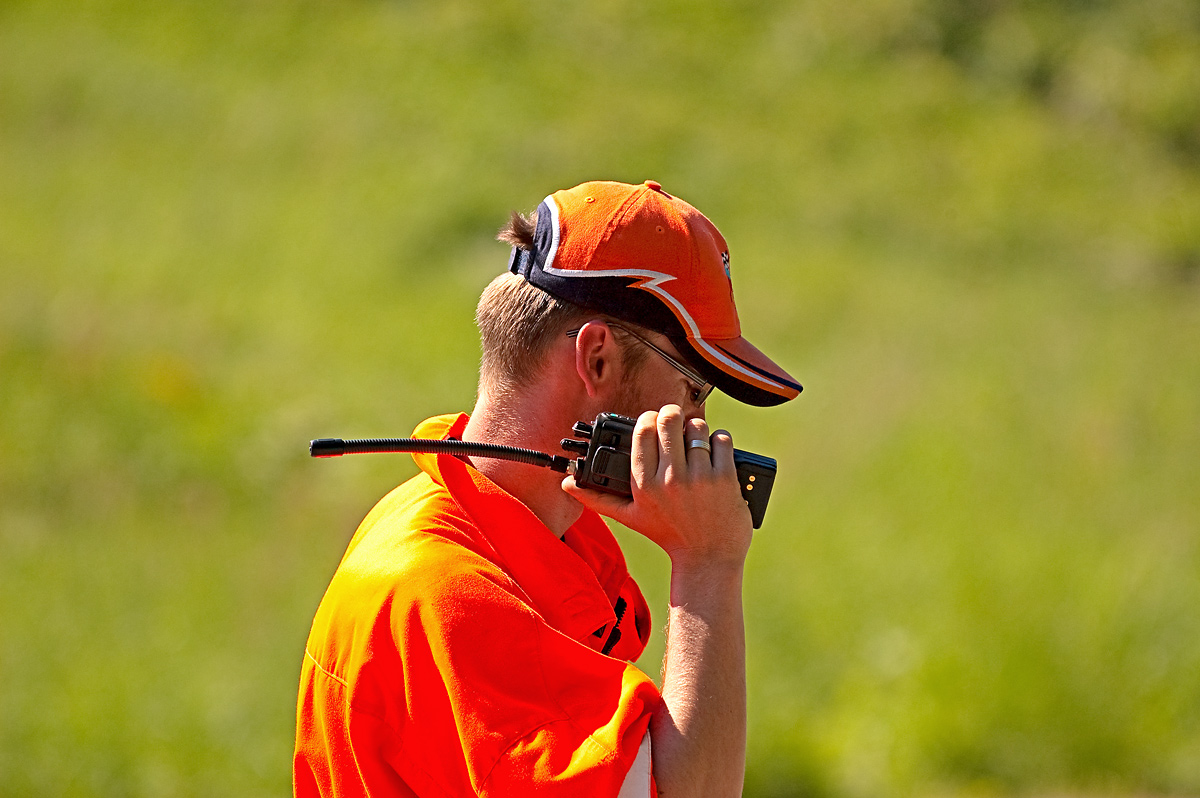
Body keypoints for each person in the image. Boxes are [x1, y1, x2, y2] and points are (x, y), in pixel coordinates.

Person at [293, 179, 802, 796]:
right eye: (694, 388)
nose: (698, 425)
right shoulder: (452, 598)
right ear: (597, 359)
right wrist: (709, 564)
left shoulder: (483, 526)